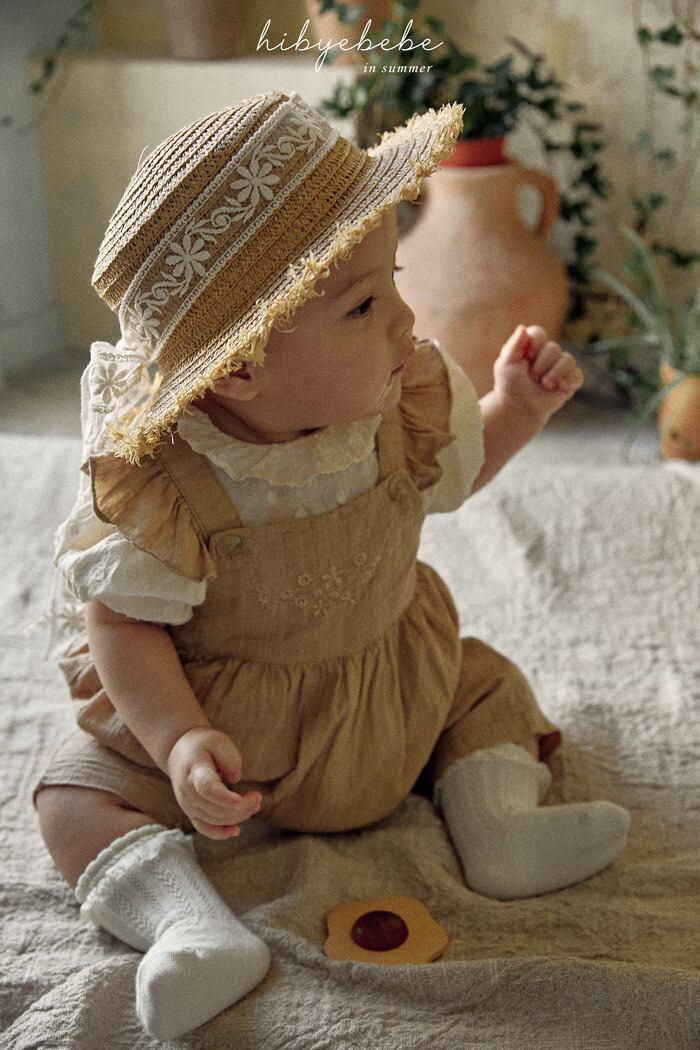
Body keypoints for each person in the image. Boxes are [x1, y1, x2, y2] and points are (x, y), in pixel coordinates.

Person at [31, 91, 630, 1040]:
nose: (405, 319)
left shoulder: (398, 400)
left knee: (486, 685)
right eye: (363, 305)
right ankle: (187, 927)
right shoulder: (166, 481)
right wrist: (179, 741)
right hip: (230, 729)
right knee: (74, 794)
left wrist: (515, 409)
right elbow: (121, 620)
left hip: (393, 686)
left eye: (392, 280)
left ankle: (500, 829)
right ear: (239, 367)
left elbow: (456, 475)